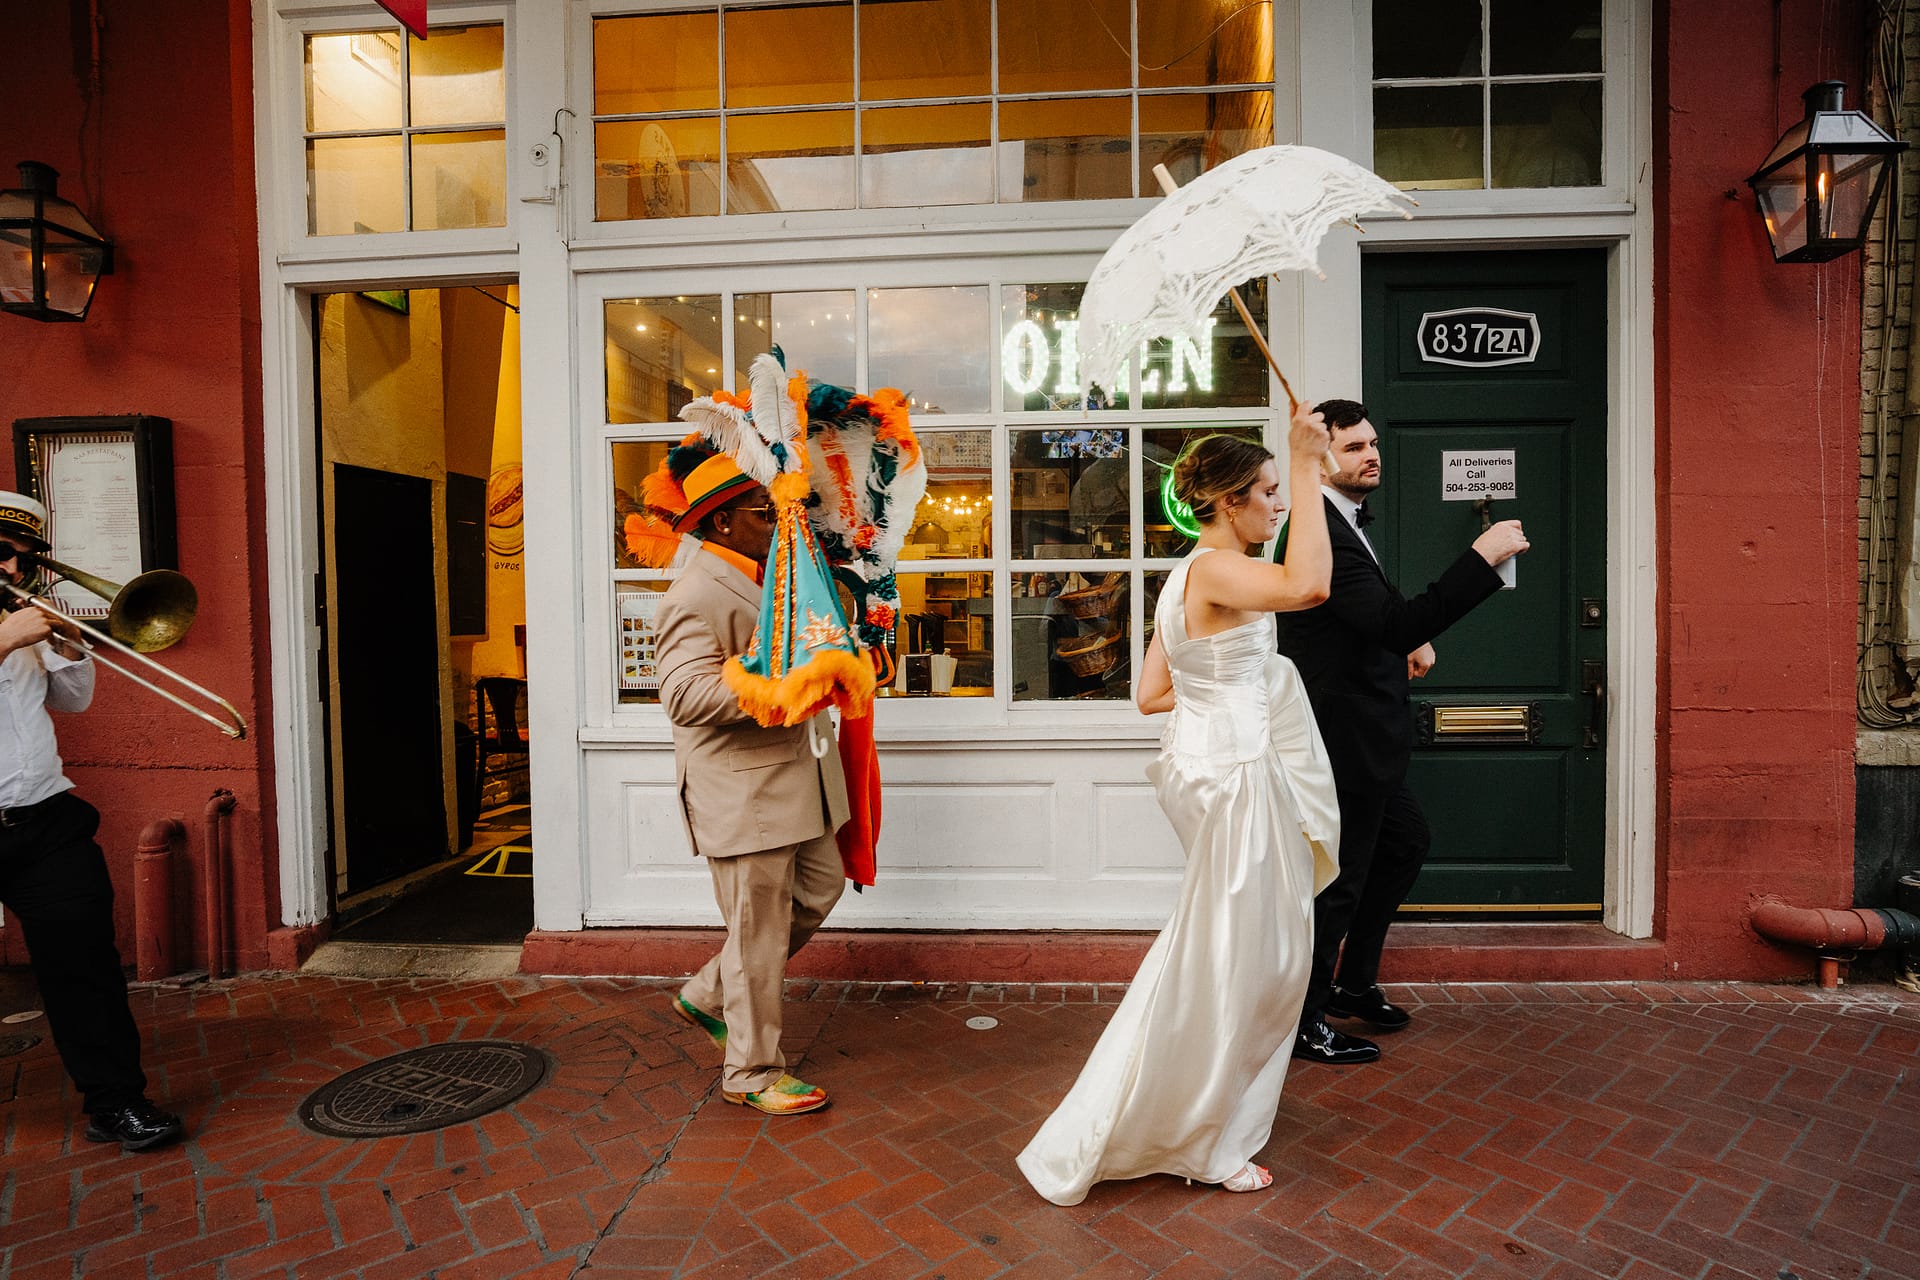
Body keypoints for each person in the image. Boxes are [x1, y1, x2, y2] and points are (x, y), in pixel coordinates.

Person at [1018, 408, 1341, 1205]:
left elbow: (1151, 693)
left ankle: (1196, 1112)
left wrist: (1242, 691)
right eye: (1268, 492)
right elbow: (1310, 585)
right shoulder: (1217, 570)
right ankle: (1203, 1138)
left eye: (1282, 489)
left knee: (1239, 953)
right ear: (1230, 501)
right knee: (1244, 961)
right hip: (1238, 783)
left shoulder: (1184, 578)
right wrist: (1308, 463)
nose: (1279, 505)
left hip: (1219, 772)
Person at [1274, 399, 1528, 1066]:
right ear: (1320, 460)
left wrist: (1404, 643)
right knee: (1339, 883)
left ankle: (1354, 984)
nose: (1371, 455)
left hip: (1368, 739)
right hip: (1344, 740)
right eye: (1354, 447)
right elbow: (1392, 621)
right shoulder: (1321, 530)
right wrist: (1481, 558)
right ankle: (1306, 1021)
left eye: (1373, 443)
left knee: (1404, 843)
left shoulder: (1342, 522)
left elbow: (1369, 619)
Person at [652, 448, 852, 1116]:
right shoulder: (694, 594)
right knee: (757, 935)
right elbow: (684, 696)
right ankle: (751, 1071)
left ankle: (711, 993)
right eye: (766, 513)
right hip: (744, 794)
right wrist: (778, 684)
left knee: (820, 889)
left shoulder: (771, 574)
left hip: (796, 783)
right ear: (724, 522)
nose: (778, 523)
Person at [0, 491, 185, 1153]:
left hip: (45, 818)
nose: (14, 570)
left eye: (23, 558)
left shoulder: (20, 614)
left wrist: (72, 646)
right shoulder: (10, 628)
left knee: (85, 969)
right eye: (3, 554)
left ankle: (116, 1103)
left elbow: (73, 701)